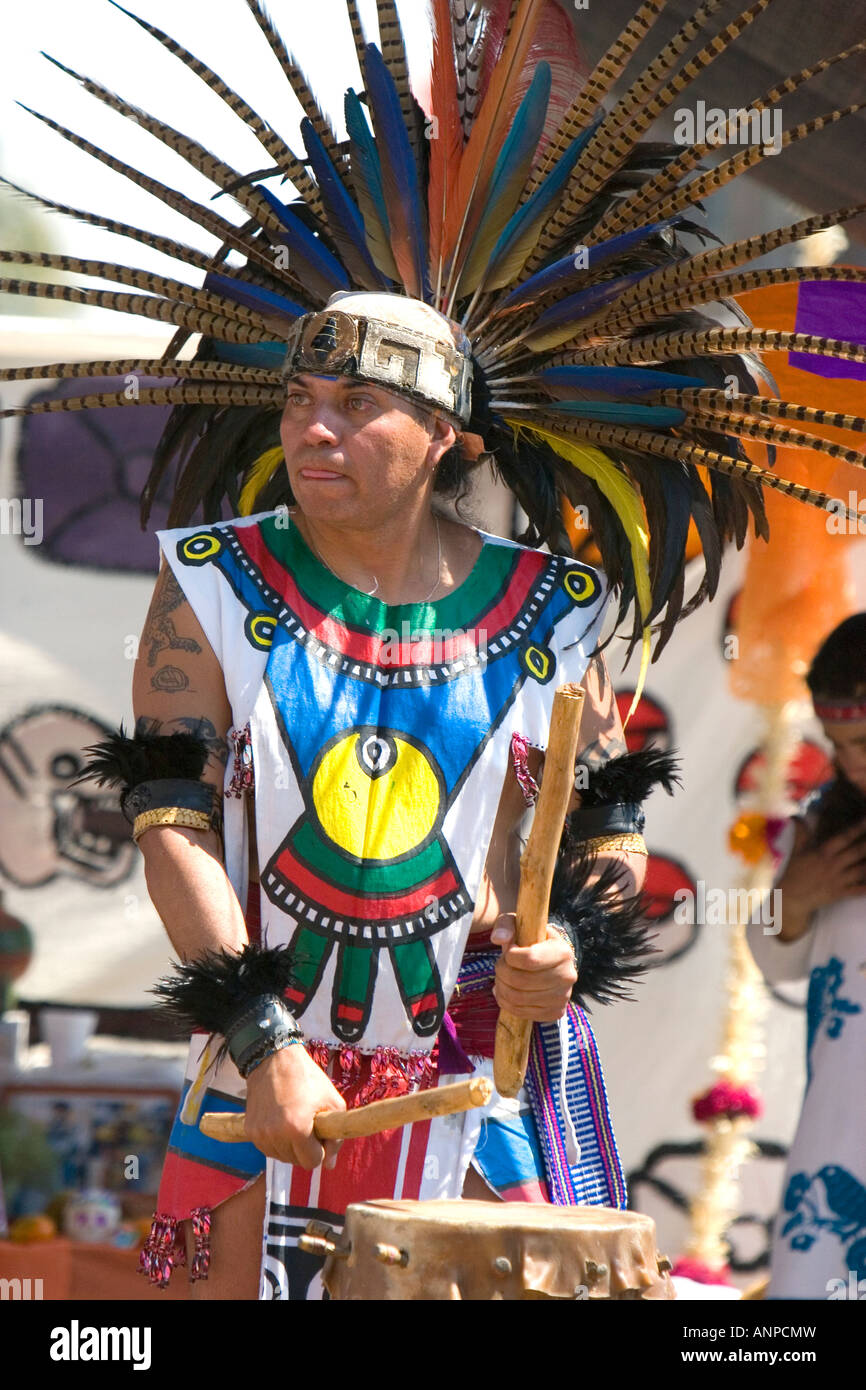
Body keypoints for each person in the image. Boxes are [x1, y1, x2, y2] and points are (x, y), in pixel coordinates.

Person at [128, 291, 657, 1299]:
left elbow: (610, 832)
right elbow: (170, 831)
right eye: (299, 398)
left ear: (444, 438)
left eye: (358, 402)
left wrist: (571, 946)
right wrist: (264, 1042)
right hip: (262, 1063)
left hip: (472, 1070)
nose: (313, 428)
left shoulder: (556, 607)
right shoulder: (209, 584)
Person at [747, 614, 866, 1299]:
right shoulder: (824, 827)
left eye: (864, 743)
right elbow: (775, 961)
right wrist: (795, 898)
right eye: (836, 745)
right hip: (842, 1122)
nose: (849, 764)